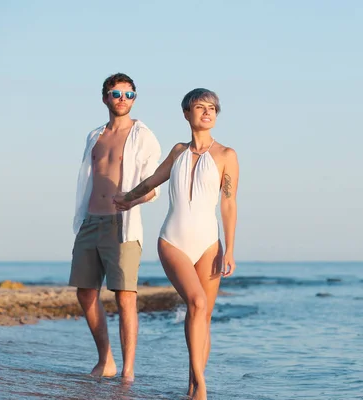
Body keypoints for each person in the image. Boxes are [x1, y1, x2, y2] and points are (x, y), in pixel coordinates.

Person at [114, 88, 239, 400]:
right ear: (187, 114)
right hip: (173, 241)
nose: (207, 113)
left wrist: (230, 248)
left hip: (210, 244)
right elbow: (153, 180)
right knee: (196, 303)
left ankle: (191, 387)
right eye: (200, 107)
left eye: (212, 108)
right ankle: (201, 385)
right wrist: (128, 199)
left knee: (202, 315)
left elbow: (228, 204)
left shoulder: (226, 155)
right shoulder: (178, 151)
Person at [69, 73, 162, 383]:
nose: (122, 98)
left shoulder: (143, 135)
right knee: (85, 293)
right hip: (90, 220)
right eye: (116, 93)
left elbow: (154, 185)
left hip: (122, 224)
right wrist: (83, 218)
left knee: (125, 296)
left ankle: (128, 370)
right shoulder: (94, 136)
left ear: (134, 98)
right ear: (105, 98)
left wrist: (133, 199)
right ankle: (105, 359)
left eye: (128, 94)